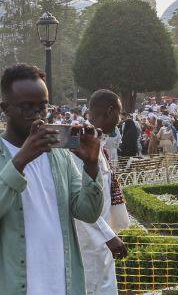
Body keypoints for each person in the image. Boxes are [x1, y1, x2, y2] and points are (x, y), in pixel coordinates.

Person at [0, 64, 103, 295]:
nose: (37, 115)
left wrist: (90, 166)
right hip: (8, 286)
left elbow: (87, 212)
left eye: (42, 106)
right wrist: (21, 160)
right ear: (5, 108)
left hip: (61, 284)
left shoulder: (60, 155)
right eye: (26, 107)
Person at [74, 90, 129, 295]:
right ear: (110, 111)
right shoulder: (79, 145)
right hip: (87, 241)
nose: (119, 119)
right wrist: (108, 235)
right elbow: (79, 199)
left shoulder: (99, 142)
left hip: (102, 240)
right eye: (119, 113)